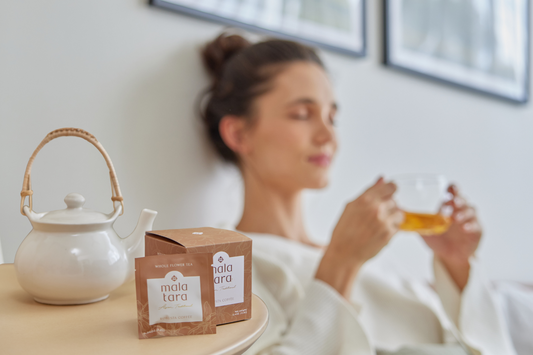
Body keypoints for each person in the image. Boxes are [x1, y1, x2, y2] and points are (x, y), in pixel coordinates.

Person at [199, 32, 517, 355]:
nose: (328, 136)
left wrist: (458, 265)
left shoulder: (374, 260)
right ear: (238, 133)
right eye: (301, 114)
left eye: (332, 118)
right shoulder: (224, 265)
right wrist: (341, 263)